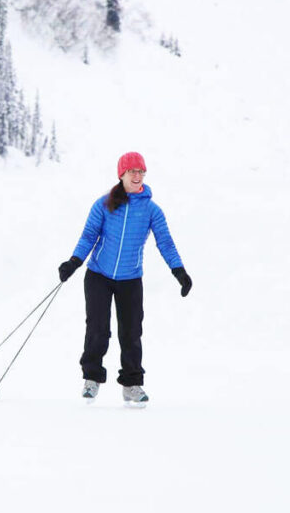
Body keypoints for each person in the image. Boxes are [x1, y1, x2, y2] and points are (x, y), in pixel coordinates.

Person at [57, 151, 192, 405]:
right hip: (99, 275)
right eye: (132, 172)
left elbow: (165, 242)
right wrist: (74, 262)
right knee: (98, 329)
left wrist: (179, 271)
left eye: (141, 172)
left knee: (131, 332)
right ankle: (92, 378)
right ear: (121, 175)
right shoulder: (104, 204)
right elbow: (88, 236)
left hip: (130, 279)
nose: (137, 176)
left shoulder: (152, 210)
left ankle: (132, 384)